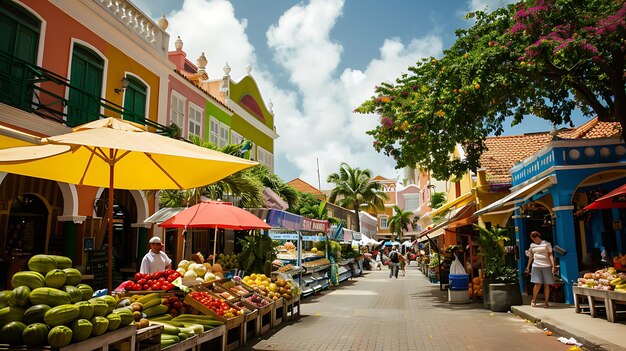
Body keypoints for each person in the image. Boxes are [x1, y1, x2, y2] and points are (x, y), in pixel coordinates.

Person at [524, 231, 555, 308]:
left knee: (546, 284)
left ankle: (546, 302)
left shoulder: (546, 244)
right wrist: (528, 266)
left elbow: (551, 255)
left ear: (537, 237)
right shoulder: (532, 245)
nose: (533, 240)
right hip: (536, 265)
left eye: (533, 238)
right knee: (537, 283)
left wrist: (553, 266)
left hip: (546, 265)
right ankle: (533, 300)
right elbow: (531, 256)